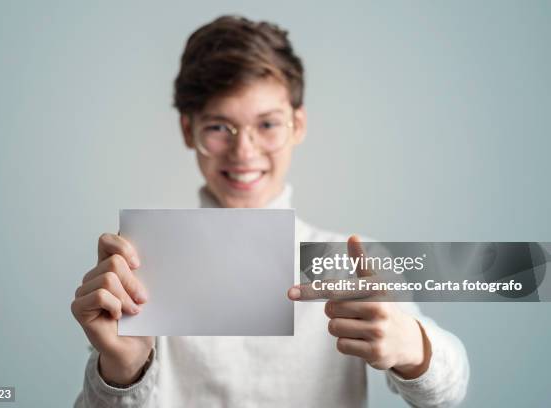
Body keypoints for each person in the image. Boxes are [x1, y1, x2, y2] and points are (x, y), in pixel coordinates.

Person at [71, 15, 469, 407]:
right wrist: (122, 370)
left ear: (297, 125)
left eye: (267, 125)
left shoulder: (347, 259)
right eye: (219, 127)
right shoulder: (146, 264)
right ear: (188, 130)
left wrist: (412, 346)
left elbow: (450, 389)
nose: (244, 151)